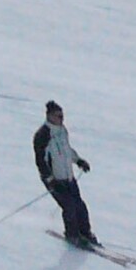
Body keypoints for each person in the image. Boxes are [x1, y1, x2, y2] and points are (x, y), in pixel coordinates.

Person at [35, 101, 97, 247]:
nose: (62, 119)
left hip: (68, 177)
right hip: (55, 180)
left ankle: (85, 232)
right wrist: (50, 179)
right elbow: (40, 160)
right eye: (59, 116)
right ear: (50, 116)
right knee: (69, 206)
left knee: (80, 205)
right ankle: (72, 235)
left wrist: (78, 160)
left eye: (62, 116)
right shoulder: (42, 135)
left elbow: (66, 150)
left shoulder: (62, 130)